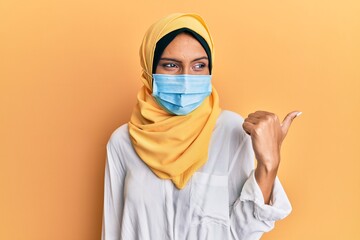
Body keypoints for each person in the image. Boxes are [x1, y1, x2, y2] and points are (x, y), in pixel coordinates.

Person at [101, 13, 301, 240]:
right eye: (170, 65)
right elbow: (113, 230)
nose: (186, 78)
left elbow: (241, 233)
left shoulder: (232, 130)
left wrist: (268, 165)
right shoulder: (123, 142)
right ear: (149, 70)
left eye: (199, 65)